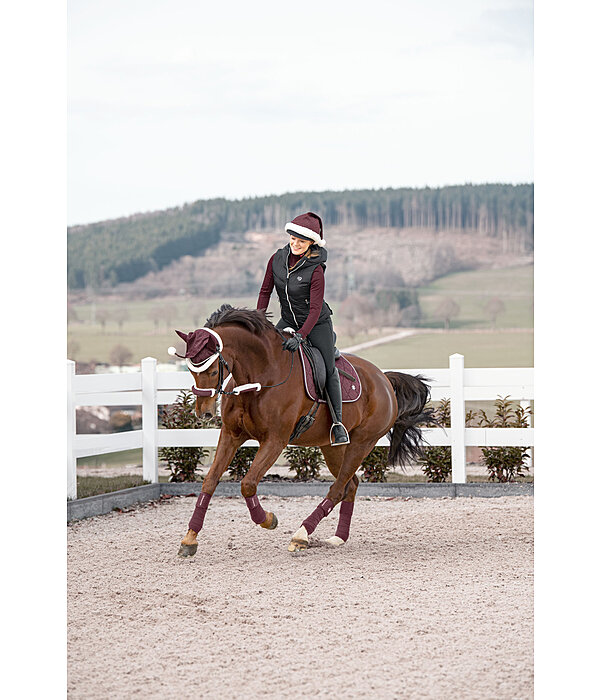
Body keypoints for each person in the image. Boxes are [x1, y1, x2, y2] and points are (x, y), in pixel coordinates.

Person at [256, 212, 350, 446]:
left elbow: (315, 309)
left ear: (312, 243)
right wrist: (259, 320)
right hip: (287, 319)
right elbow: (265, 291)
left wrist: (300, 336)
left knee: (328, 368)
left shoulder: (316, 270)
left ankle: (338, 424)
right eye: (293, 239)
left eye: (302, 241)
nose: (295, 244)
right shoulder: (276, 259)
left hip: (316, 324)